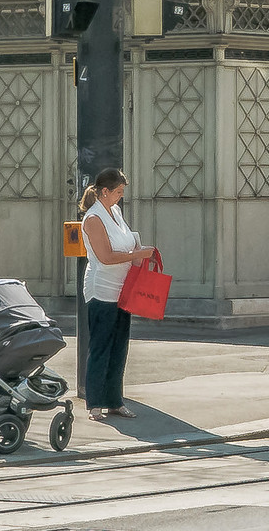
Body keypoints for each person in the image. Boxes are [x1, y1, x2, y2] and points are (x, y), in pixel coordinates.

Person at [80, 168, 155, 422]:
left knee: (119, 347)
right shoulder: (93, 219)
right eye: (118, 192)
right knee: (101, 346)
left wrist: (141, 250)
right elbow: (106, 257)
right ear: (105, 192)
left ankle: (115, 400)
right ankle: (95, 403)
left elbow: (125, 244)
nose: (121, 197)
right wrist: (138, 255)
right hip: (102, 288)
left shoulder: (116, 212)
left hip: (123, 288)